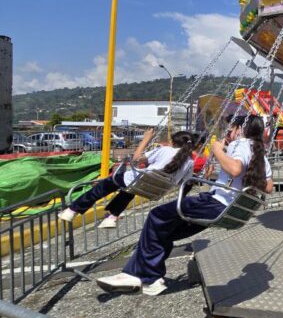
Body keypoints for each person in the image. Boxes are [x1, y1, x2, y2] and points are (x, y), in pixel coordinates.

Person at [95, 116, 273, 294]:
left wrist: (217, 150)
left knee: (157, 215)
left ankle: (141, 275)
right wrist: (247, 180)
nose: (229, 132)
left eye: (231, 128)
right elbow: (269, 187)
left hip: (215, 203)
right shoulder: (260, 153)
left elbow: (235, 169)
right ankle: (150, 279)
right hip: (229, 208)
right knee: (165, 230)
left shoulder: (240, 144)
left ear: (240, 129)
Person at [58, 128, 194, 229]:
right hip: (154, 188)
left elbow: (136, 160)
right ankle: (111, 217)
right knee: (129, 191)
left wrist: (146, 139)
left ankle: (73, 210)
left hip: (138, 178)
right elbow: (186, 182)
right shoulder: (190, 162)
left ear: (173, 142)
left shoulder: (165, 150)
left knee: (101, 188)